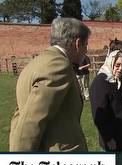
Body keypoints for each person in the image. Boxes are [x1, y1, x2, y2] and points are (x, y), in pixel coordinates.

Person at [9, 18, 90, 151]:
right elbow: (32, 120)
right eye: (86, 44)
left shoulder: (34, 64)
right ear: (78, 43)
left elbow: (19, 115)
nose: (86, 50)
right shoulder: (58, 65)